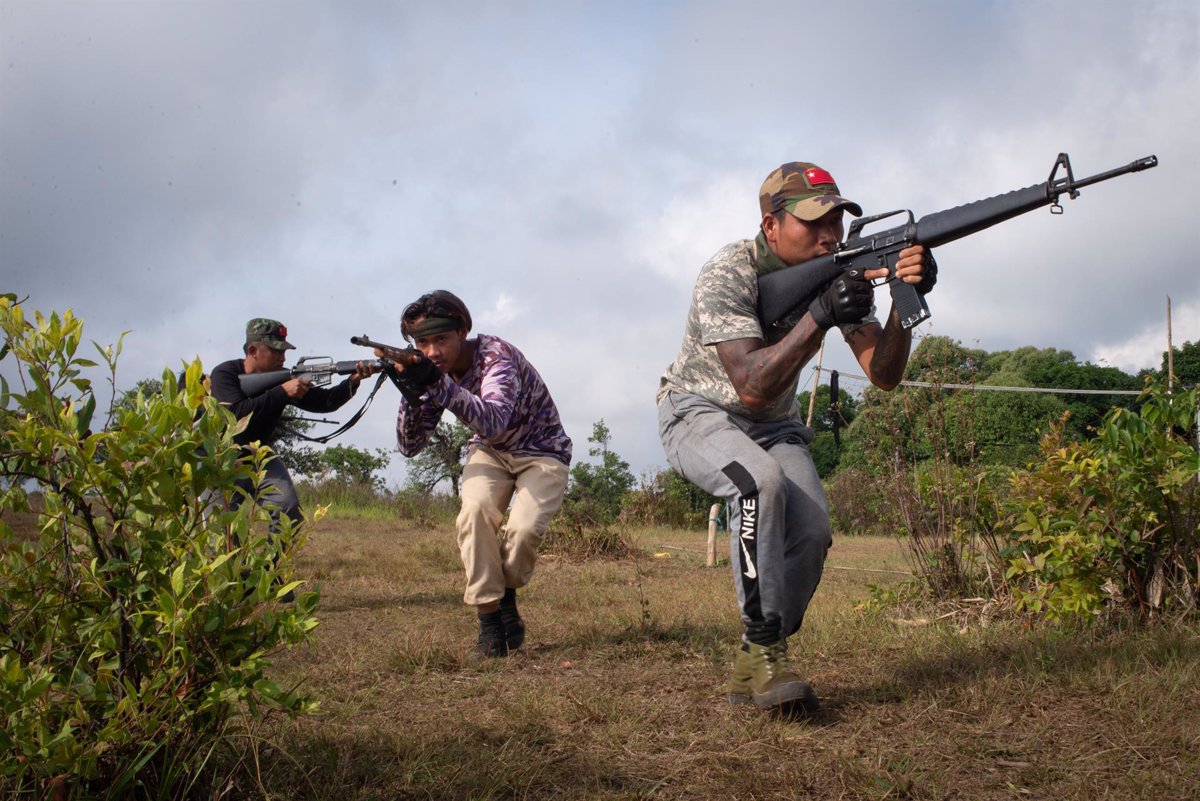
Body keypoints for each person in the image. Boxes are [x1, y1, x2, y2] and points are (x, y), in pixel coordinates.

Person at [657, 162, 936, 715]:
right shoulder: (727, 273)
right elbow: (752, 387)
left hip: (774, 425)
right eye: (814, 222)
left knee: (812, 531)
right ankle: (764, 656)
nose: (829, 235)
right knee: (760, 485)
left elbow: (882, 374)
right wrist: (820, 314)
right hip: (698, 412)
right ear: (771, 226)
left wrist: (905, 302)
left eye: (836, 219)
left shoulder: (835, 272)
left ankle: (757, 658)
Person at [382, 291, 572, 660]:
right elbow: (411, 445)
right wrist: (410, 392)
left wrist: (436, 384)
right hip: (489, 451)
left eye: (441, 340)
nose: (433, 351)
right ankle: (489, 623)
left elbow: (494, 419)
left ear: (463, 331)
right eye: (423, 343)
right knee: (473, 513)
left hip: (543, 450)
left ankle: (506, 596)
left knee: (524, 530)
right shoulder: (434, 371)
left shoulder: (495, 356)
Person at [209, 317, 379, 526]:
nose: (282, 357)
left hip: (258, 456)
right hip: (222, 459)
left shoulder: (283, 379)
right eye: (276, 351)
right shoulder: (225, 374)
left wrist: (353, 380)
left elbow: (325, 402)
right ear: (253, 350)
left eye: (284, 352)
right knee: (221, 529)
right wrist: (282, 392)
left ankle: (274, 561)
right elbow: (235, 414)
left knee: (288, 513)